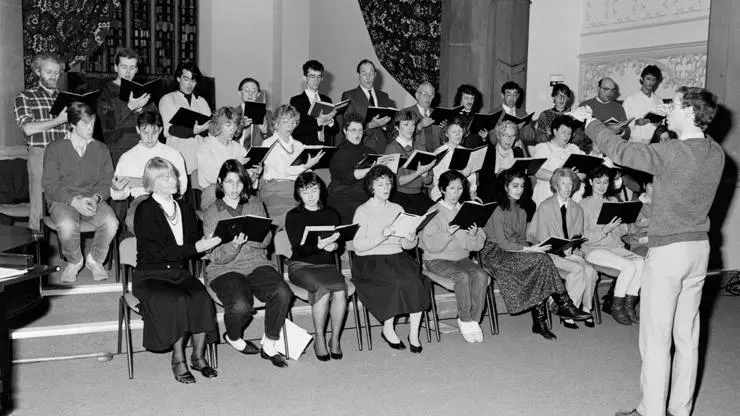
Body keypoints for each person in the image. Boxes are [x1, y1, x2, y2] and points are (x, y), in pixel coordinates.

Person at [574, 86, 724, 416]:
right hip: (699, 250)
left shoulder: (671, 152)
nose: (666, 108)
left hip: (669, 251)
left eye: (673, 104)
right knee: (686, 337)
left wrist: (590, 124)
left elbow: (621, 151)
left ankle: (650, 411)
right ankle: (679, 411)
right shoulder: (716, 154)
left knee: (656, 338)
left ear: (689, 112)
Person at [132, 157, 220, 383]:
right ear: (152, 184)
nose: (173, 180)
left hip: (177, 272)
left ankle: (198, 357)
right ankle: (178, 359)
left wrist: (206, 242)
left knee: (201, 297)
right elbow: (157, 252)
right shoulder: (145, 210)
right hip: (151, 275)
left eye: (173, 175)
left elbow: (190, 246)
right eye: (164, 177)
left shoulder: (183, 207)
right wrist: (195, 246)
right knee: (178, 300)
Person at [202, 160, 292, 368]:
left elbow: (266, 240)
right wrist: (234, 246)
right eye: (229, 182)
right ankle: (233, 337)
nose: (234, 188)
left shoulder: (255, 203)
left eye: (239, 182)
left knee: (282, 292)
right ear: (220, 182)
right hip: (225, 268)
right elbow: (215, 256)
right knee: (241, 305)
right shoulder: (211, 212)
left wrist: (248, 237)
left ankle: (269, 343)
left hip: (256, 261)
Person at [480, 169, 590, 340]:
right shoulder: (497, 210)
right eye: (515, 186)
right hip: (494, 252)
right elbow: (502, 243)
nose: (519, 190)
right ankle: (560, 304)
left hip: (514, 250)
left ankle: (543, 319)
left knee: (541, 260)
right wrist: (530, 250)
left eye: (522, 186)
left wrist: (534, 247)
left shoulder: (522, 211)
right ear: (505, 187)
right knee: (540, 261)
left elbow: (522, 239)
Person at [351, 165, 430, 353]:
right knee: (394, 282)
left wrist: (411, 239)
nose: (385, 187)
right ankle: (387, 328)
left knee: (415, 281)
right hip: (370, 259)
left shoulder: (397, 208)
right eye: (380, 184)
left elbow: (404, 245)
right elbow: (358, 246)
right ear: (371, 187)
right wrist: (383, 234)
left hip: (396, 256)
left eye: (388, 183)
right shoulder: (363, 210)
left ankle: (413, 334)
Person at [42, 102, 118, 282]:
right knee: (67, 226)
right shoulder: (55, 148)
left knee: (111, 222)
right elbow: (50, 185)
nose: (90, 128)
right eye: (85, 123)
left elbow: (107, 180)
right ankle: (75, 261)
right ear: (72, 124)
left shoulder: (101, 149)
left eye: (92, 123)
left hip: (92, 199)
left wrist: (96, 197)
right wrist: (74, 202)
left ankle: (94, 260)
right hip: (63, 200)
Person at [285, 172, 348, 361]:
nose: (310, 195)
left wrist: (336, 246)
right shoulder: (294, 216)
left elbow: (341, 243)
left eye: (314, 190)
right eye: (305, 191)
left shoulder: (331, 213)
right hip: (301, 265)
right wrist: (319, 246)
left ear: (321, 190)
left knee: (340, 290)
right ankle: (319, 337)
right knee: (324, 290)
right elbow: (299, 249)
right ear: (298, 194)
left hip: (326, 266)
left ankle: (334, 338)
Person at [420, 170, 487, 343]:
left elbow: (477, 244)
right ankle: (464, 319)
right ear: (442, 189)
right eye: (452, 188)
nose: (456, 192)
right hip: (436, 259)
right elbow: (429, 244)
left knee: (481, 274)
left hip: (461, 258)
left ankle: (474, 319)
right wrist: (447, 234)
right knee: (461, 276)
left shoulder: (467, 209)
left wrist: (472, 236)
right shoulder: (434, 211)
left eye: (459, 188)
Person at [527, 167, 598, 329]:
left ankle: (584, 308)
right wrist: (560, 249)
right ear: (556, 186)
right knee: (578, 270)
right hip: (550, 255)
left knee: (591, 271)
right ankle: (563, 308)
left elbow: (577, 235)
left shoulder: (577, 208)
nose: (567, 187)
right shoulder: (545, 207)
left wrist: (571, 246)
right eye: (563, 184)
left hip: (569, 253)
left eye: (570, 184)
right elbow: (538, 237)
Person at [579, 165, 643, 325]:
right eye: (598, 182)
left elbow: (622, 231)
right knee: (628, 267)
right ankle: (617, 306)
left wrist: (631, 225)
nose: (602, 186)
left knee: (641, 263)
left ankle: (629, 306)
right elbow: (582, 238)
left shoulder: (613, 201)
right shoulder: (583, 205)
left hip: (615, 248)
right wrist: (605, 230)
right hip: (594, 250)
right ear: (590, 182)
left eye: (605, 182)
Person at [14, 52, 69, 232]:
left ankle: (67, 252)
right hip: (41, 153)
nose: (54, 76)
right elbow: (28, 128)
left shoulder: (66, 98)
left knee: (66, 204)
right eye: (49, 72)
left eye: (57, 72)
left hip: (65, 154)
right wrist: (58, 120)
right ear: (38, 71)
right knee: (38, 207)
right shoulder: (25, 96)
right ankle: (36, 251)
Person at [110, 111, 187, 235]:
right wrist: (117, 189)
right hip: (142, 200)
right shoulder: (127, 157)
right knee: (134, 221)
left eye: (154, 132)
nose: (150, 137)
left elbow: (182, 186)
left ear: (161, 130)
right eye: (145, 132)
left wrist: (165, 188)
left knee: (179, 221)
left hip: (168, 198)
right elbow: (117, 195)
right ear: (137, 130)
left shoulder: (173, 154)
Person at [261, 105, 325, 229]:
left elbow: (306, 171)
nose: (290, 126)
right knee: (295, 219)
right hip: (276, 190)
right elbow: (284, 170)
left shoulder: (298, 144)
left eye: (293, 122)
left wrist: (310, 166)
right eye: (285, 122)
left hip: (298, 189)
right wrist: (305, 166)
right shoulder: (268, 143)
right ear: (275, 123)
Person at [96, 48, 158, 166]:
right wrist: (130, 107)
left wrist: (142, 111)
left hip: (142, 147)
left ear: (137, 70)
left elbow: (156, 122)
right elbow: (108, 124)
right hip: (117, 150)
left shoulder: (142, 90)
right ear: (116, 68)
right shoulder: (105, 91)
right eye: (124, 67)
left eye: (132, 68)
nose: (128, 72)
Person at [195, 106, 261, 209]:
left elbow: (245, 178)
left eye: (235, 126)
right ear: (218, 126)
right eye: (228, 125)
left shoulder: (238, 147)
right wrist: (235, 165)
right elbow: (211, 178)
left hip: (238, 191)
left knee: (256, 206)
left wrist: (253, 175)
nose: (232, 130)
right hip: (215, 193)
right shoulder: (205, 147)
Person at [159, 62, 212, 175]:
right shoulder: (168, 99)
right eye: (186, 79)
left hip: (200, 159)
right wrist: (194, 131)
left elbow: (209, 128)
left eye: (193, 80)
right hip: (178, 155)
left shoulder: (201, 101)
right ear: (178, 78)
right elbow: (170, 130)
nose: (190, 84)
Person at [384, 109, 435, 215]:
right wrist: (419, 172)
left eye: (413, 124)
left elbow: (428, 181)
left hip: (418, 194)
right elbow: (399, 182)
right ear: (397, 127)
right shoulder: (391, 148)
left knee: (436, 212)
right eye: (406, 124)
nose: (411, 128)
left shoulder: (421, 147)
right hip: (399, 196)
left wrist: (425, 175)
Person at [339, 59, 396, 153]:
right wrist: (370, 125)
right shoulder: (349, 96)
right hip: (360, 146)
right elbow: (347, 127)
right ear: (358, 75)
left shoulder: (384, 96)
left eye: (371, 73)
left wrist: (385, 126)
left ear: (375, 75)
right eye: (364, 74)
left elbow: (393, 125)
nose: (368, 77)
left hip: (384, 147)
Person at [327, 113, 374, 224]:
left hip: (363, 197)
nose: (358, 134)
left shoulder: (369, 151)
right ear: (344, 131)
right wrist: (371, 170)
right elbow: (347, 176)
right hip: (344, 198)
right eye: (353, 130)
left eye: (360, 130)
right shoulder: (339, 153)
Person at [531, 115, 585, 205]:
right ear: (555, 131)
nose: (567, 136)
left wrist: (580, 175)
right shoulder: (543, 147)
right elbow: (537, 172)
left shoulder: (574, 148)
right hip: (548, 193)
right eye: (563, 132)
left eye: (569, 133)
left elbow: (582, 171)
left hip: (571, 194)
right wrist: (563, 177)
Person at [289, 60, 339, 146]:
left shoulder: (327, 100)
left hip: (325, 148)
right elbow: (295, 129)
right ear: (305, 78)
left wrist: (330, 121)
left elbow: (335, 130)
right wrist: (318, 122)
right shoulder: (296, 101)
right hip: (306, 148)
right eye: (312, 76)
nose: (316, 80)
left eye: (319, 77)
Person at [429, 119, 477, 202]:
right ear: (447, 134)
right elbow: (443, 181)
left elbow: (472, 176)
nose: (458, 135)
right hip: (443, 194)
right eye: (454, 132)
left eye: (460, 131)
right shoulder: (439, 153)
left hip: (463, 193)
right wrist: (462, 174)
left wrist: (472, 192)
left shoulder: (466, 151)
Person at [477, 120, 525, 204]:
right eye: (505, 135)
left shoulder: (518, 153)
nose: (509, 139)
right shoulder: (488, 152)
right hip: (492, 196)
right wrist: (498, 176)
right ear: (499, 136)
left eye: (512, 136)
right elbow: (484, 181)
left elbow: (522, 180)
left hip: (514, 196)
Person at [623, 65, 663, 144]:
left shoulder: (659, 101)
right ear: (642, 79)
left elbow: (663, 124)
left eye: (653, 80)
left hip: (653, 143)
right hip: (633, 142)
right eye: (648, 79)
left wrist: (659, 124)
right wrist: (636, 122)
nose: (650, 82)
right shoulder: (630, 99)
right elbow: (622, 123)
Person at [402, 81, 443, 152]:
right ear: (417, 95)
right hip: (414, 155)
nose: (428, 98)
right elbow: (400, 137)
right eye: (424, 94)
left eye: (431, 95)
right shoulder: (405, 112)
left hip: (437, 155)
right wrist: (419, 126)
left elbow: (442, 139)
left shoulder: (438, 113)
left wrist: (445, 129)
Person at [498, 81, 536, 151]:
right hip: (500, 153)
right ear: (502, 96)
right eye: (509, 95)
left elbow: (531, 137)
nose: (512, 99)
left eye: (515, 95)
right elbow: (492, 139)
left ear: (518, 96)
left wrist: (522, 130)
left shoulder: (523, 113)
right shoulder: (495, 113)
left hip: (519, 151)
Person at [236, 77, 272, 150]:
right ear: (240, 93)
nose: (250, 94)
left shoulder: (267, 114)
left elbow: (273, 140)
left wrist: (264, 132)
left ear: (258, 94)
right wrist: (241, 126)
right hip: (236, 154)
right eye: (246, 91)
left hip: (257, 156)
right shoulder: (231, 113)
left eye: (253, 91)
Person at [453, 84, 487, 148]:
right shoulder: (451, 116)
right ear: (460, 99)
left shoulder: (478, 118)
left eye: (472, 98)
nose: (470, 101)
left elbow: (483, 145)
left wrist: (484, 138)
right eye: (466, 98)